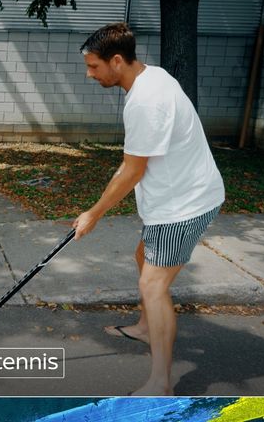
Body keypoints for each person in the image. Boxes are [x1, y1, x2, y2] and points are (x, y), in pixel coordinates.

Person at [73, 22, 225, 396]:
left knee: (153, 285)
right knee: (144, 256)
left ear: (118, 61)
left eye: (94, 67)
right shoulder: (151, 76)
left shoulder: (145, 101)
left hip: (184, 205)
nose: (89, 74)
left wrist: (93, 213)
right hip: (178, 196)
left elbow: (132, 169)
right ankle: (145, 327)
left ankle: (161, 383)